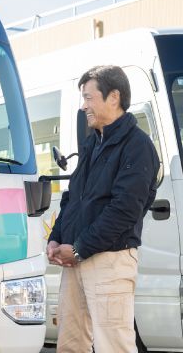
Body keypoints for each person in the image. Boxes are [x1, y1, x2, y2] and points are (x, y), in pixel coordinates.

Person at [47, 66, 160, 352]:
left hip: (109, 260)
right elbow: (72, 198)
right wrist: (56, 238)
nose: (84, 106)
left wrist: (78, 248)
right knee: (70, 345)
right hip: (76, 259)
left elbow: (124, 211)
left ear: (114, 97)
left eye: (88, 98)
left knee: (114, 346)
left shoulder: (138, 146)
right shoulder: (91, 144)